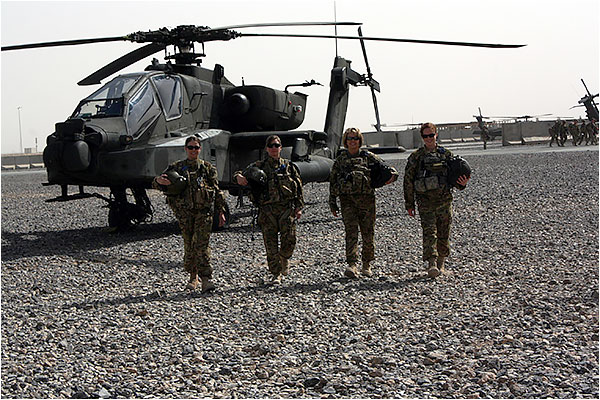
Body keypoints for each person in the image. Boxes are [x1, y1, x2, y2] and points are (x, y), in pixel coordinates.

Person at [153, 136, 226, 292]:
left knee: (201, 245)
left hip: (203, 213)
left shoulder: (207, 168)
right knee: (189, 245)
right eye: (191, 147)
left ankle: (206, 279)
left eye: (196, 148)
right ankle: (193, 277)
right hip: (184, 214)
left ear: (200, 149)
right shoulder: (176, 168)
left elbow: (217, 191)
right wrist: (160, 182)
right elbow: (157, 182)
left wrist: (221, 211)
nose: (194, 150)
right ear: (186, 149)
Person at [329, 127, 398, 278]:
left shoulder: (369, 157)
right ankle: (352, 264)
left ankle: (366, 264)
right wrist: (332, 202)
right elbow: (333, 181)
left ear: (360, 141)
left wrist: (390, 178)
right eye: (349, 139)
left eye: (355, 139)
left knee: (368, 233)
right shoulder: (340, 160)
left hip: (367, 201)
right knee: (351, 233)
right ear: (345, 142)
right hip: (347, 202)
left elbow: (390, 170)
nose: (352, 141)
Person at [234, 135, 304, 284]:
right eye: (271, 146)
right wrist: (238, 177)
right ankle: (275, 273)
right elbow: (239, 174)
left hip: (287, 209)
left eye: (276, 145)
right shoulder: (259, 165)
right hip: (267, 211)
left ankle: (284, 258)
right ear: (267, 148)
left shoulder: (289, 166)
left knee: (290, 241)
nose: (274, 148)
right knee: (270, 245)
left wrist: (299, 207)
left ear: (280, 148)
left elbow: (298, 187)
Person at [403, 122, 470, 278]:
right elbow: (408, 180)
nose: (428, 139)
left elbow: (456, 177)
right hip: (425, 202)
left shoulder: (446, 155)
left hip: (444, 200)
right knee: (429, 232)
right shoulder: (416, 157)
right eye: (425, 136)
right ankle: (432, 264)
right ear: (422, 137)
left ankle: (441, 262)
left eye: (431, 135)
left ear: (436, 135)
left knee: (443, 232)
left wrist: (462, 184)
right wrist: (409, 203)